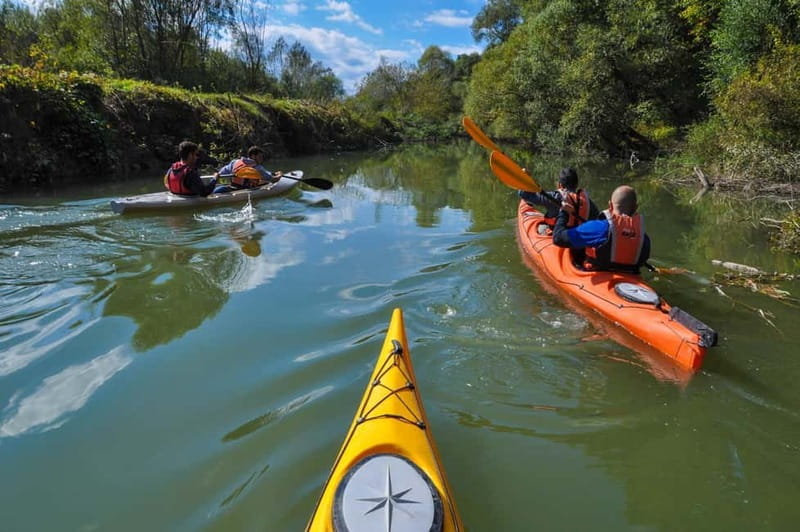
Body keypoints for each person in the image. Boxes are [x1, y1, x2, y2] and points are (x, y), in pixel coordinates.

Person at [552, 185, 650, 272]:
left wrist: (564, 213)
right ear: (636, 207)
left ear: (610, 205)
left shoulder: (598, 227)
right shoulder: (643, 238)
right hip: (631, 277)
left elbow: (558, 238)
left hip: (598, 275)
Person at [519, 167, 599, 227]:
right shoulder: (585, 199)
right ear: (576, 184)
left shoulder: (554, 196)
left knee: (541, 228)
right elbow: (597, 217)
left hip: (558, 235)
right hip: (578, 235)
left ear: (560, 184)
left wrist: (524, 177)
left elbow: (524, 194)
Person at [213, 146, 282, 194]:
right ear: (253, 156)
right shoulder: (258, 168)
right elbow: (273, 180)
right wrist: (280, 175)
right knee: (265, 182)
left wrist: (272, 173)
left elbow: (221, 173)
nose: (262, 159)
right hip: (244, 191)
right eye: (260, 156)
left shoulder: (235, 162)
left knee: (220, 189)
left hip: (232, 188)